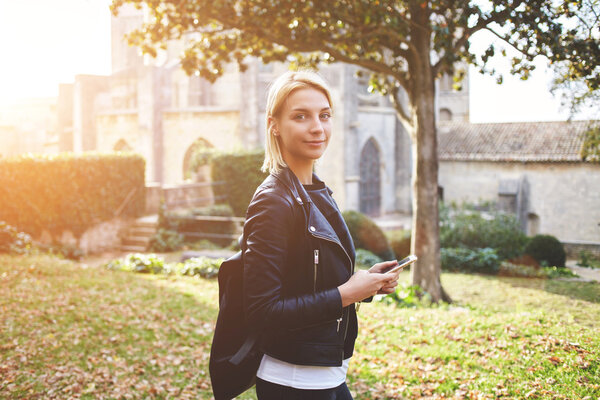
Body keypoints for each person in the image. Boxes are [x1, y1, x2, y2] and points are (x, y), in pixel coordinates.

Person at [242, 70, 401, 400]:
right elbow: (263, 310)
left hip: (326, 373)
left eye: (324, 115)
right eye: (301, 116)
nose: (317, 127)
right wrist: (346, 294)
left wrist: (365, 284)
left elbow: (307, 279)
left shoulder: (316, 191)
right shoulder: (273, 201)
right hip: (294, 380)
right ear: (274, 124)